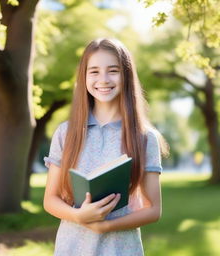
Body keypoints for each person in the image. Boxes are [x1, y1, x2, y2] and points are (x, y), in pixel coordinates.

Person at [43, 38, 169, 256]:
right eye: (94, 71)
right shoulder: (66, 132)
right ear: (84, 77)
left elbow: (153, 210)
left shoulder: (145, 137)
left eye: (113, 70)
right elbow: (50, 200)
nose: (103, 79)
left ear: (126, 76)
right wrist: (78, 216)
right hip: (72, 247)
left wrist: (106, 226)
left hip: (121, 249)